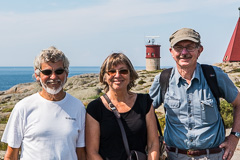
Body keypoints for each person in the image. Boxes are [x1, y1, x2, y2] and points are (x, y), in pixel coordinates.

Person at [149, 28, 240, 160]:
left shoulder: (214, 76)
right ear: (171, 52)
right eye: (178, 47)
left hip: (213, 156)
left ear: (199, 50)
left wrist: (234, 137)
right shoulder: (163, 79)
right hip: (174, 156)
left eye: (190, 47)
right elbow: (146, 111)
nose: (184, 52)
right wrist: (153, 140)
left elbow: (239, 103)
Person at [1, 46, 86, 160]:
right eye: (47, 72)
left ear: (66, 73)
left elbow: (81, 153)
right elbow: (11, 156)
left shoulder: (77, 106)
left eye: (59, 71)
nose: (53, 77)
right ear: (37, 75)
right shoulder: (23, 108)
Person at [85, 53, 159, 160]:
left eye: (123, 71)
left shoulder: (144, 102)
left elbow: (153, 144)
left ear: (130, 75)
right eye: (112, 71)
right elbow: (92, 152)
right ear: (104, 76)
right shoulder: (95, 108)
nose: (117, 75)